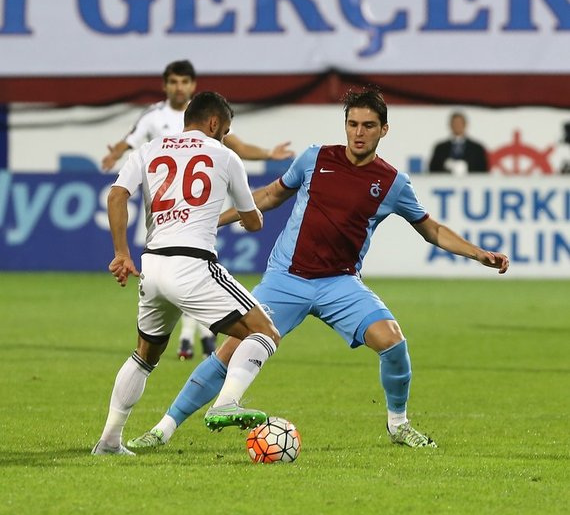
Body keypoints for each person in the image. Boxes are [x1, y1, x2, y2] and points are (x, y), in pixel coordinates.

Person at [128, 87, 509, 452]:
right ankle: (163, 429)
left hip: (339, 283)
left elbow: (432, 230)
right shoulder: (315, 158)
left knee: (392, 341)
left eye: (368, 126)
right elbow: (270, 195)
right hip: (285, 279)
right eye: (353, 124)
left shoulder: (392, 182)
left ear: (384, 130)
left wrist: (477, 254)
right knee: (231, 351)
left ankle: (398, 424)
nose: (359, 133)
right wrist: (216, 220)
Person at [92, 91, 280, 455]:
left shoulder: (148, 150)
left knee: (144, 356)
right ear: (214, 123)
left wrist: (121, 253)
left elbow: (116, 196)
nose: (225, 136)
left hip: (153, 266)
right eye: (225, 130)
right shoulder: (225, 156)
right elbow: (254, 220)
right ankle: (226, 402)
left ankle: (110, 440)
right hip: (193, 265)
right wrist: (251, 217)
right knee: (265, 332)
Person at [101, 59, 294, 360]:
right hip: (184, 234)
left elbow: (118, 189)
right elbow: (128, 140)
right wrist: (115, 151)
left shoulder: (166, 138)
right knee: (259, 330)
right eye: (174, 81)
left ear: (192, 86)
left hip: (157, 251)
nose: (179, 87)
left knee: (144, 356)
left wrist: (121, 252)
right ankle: (205, 350)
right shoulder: (160, 119)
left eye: (184, 82)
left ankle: (192, 339)